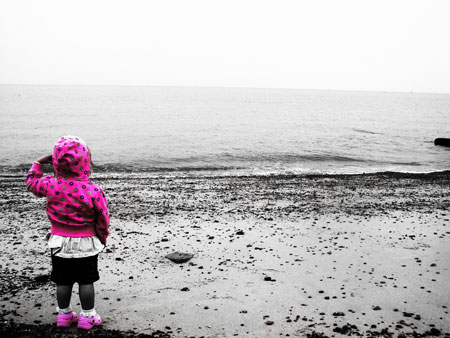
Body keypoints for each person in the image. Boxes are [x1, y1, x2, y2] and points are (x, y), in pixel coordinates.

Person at [26, 135, 110, 330]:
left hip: (59, 242)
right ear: (86, 162)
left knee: (63, 281)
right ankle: (87, 317)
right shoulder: (94, 190)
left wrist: (38, 163)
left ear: (56, 163)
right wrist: (102, 237)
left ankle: (64, 316)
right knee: (86, 281)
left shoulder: (51, 185)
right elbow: (102, 217)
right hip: (86, 242)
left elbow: (31, 183)